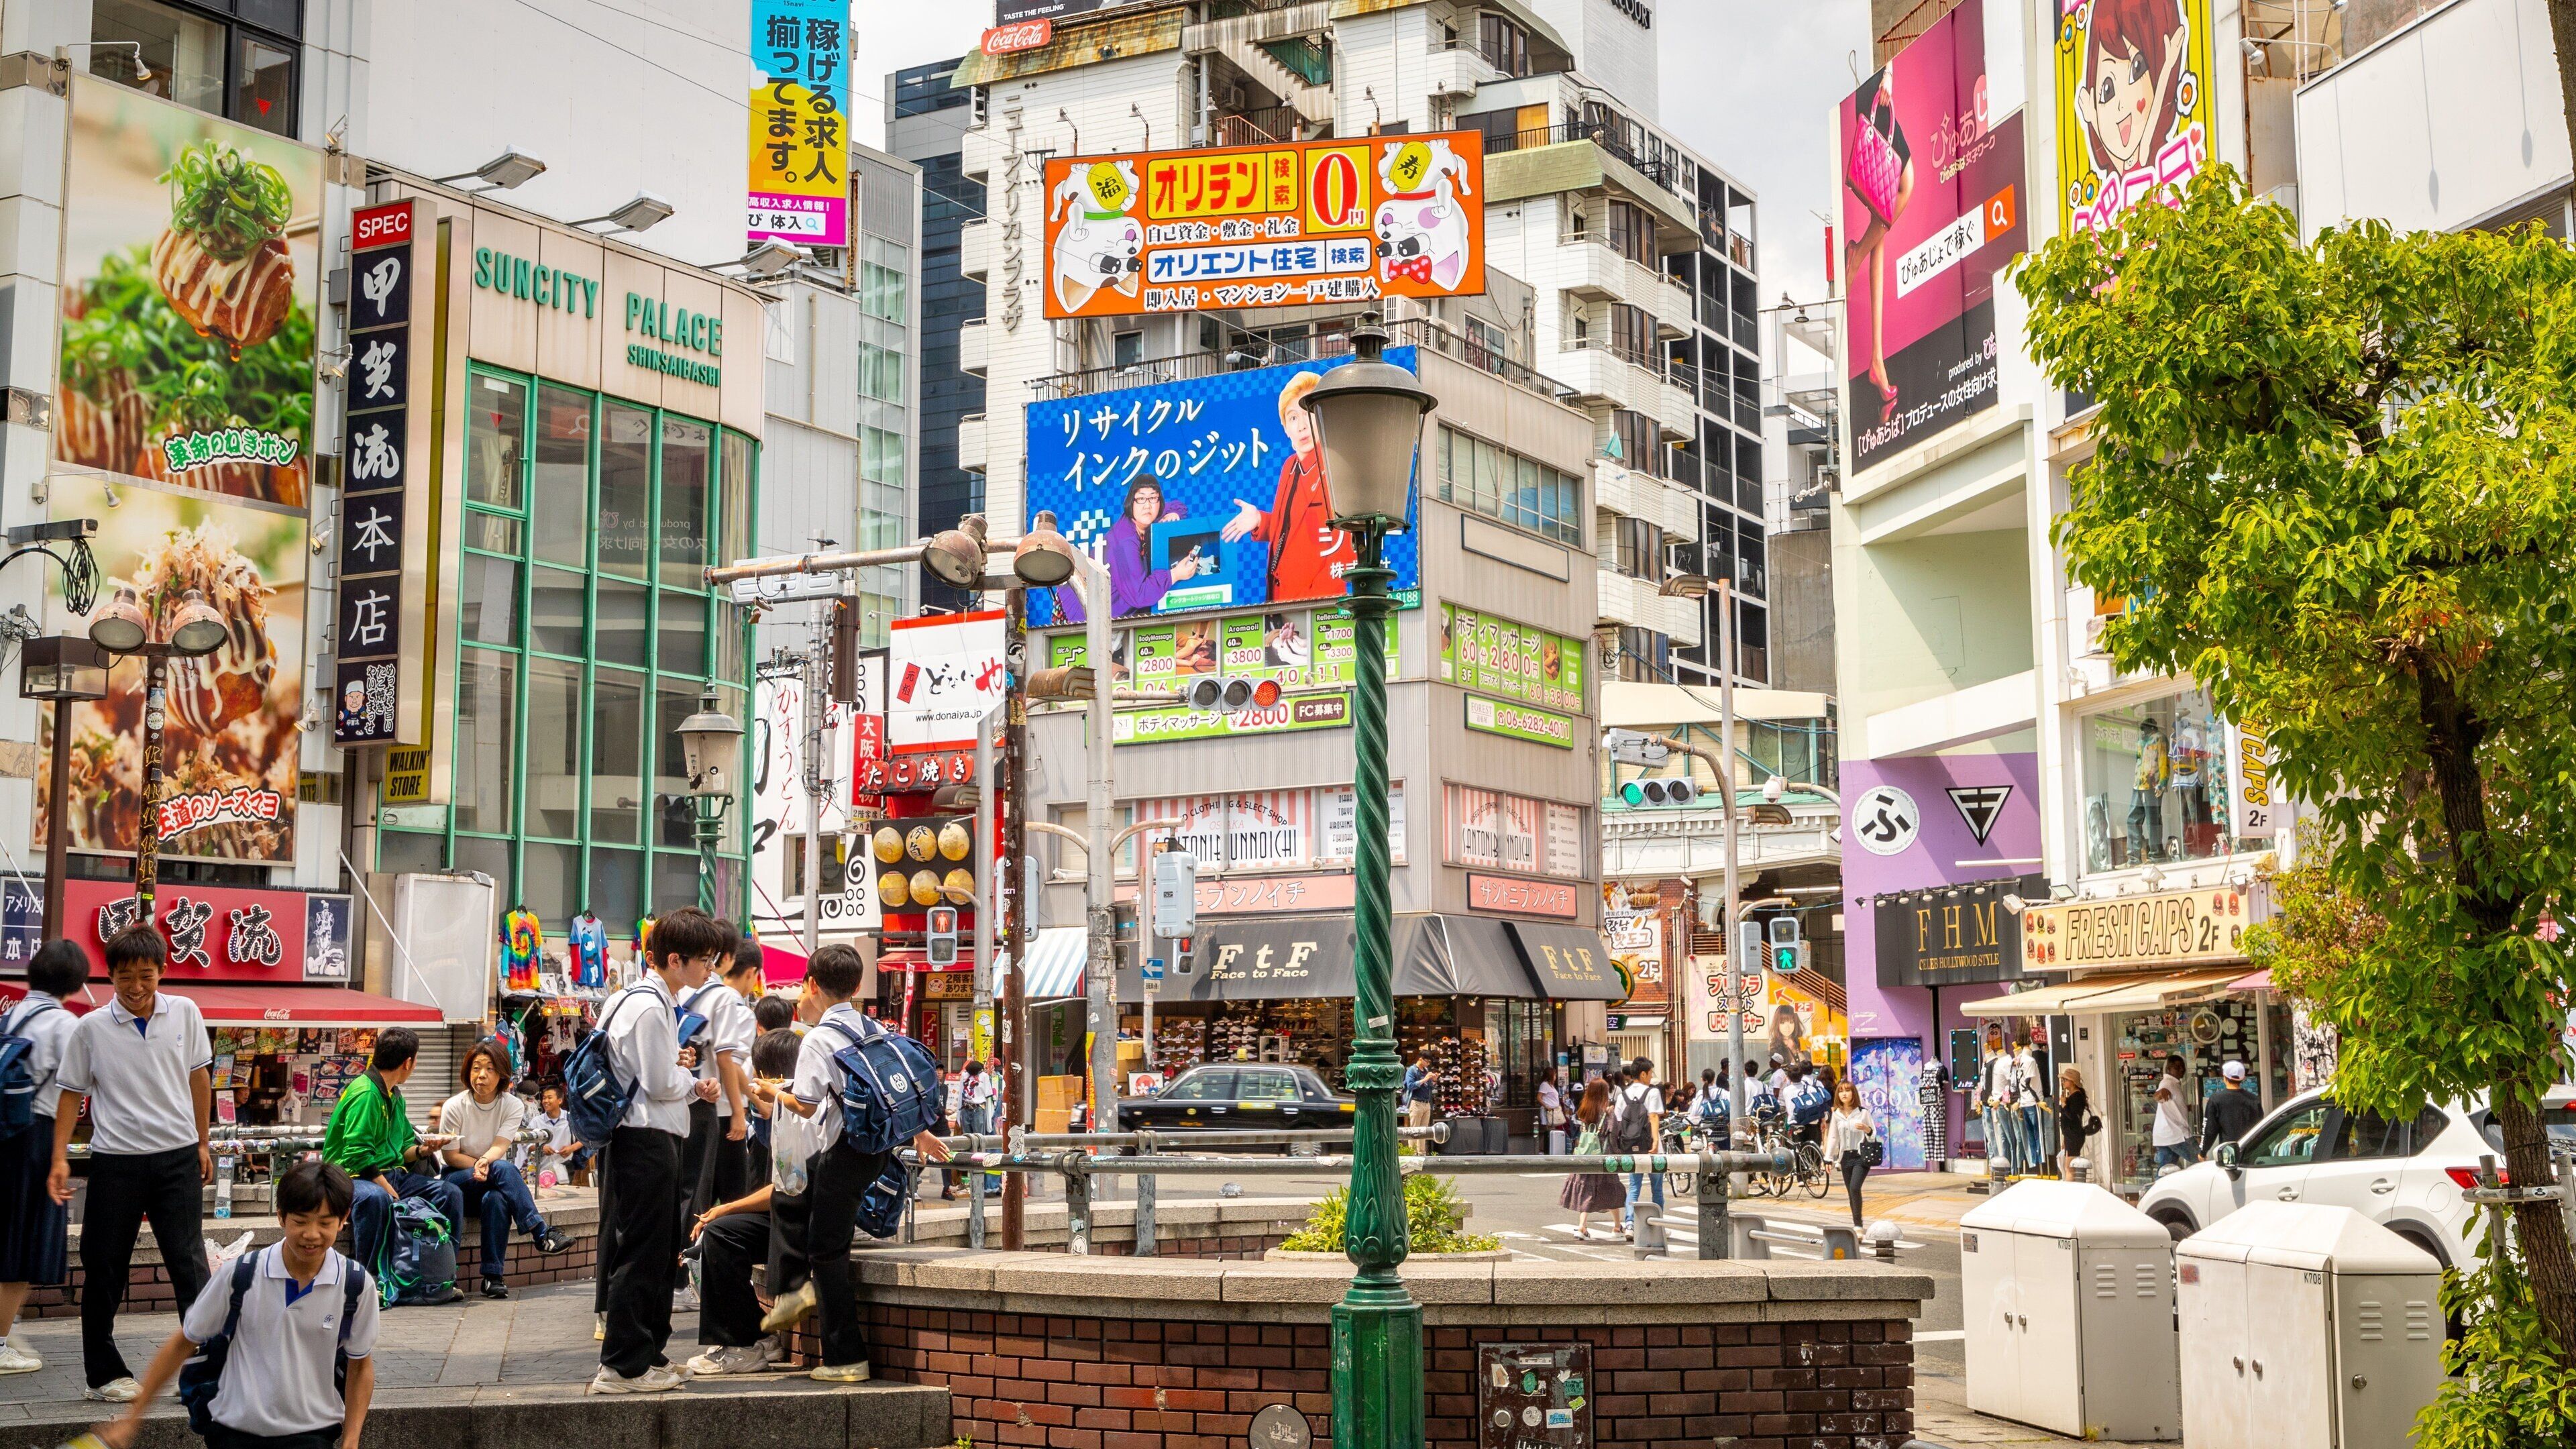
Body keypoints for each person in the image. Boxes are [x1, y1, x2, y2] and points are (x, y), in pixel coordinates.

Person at [756, 944, 949, 1383]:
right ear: (858, 985)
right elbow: (887, 1088)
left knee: (826, 1252)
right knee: (814, 1229)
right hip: (875, 1150)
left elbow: (804, 1106)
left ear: (811, 985)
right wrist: (919, 1132)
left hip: (843, 1153)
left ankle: (845, 1359)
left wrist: (771, 1093)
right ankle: (794, 1296)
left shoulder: (819, 1039)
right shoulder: (872, 1027)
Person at [90, 1161, 378, 1449]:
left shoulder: (355, 1286)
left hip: (312, 1435)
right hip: (234, 1433)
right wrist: (133, 1419)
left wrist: (351, 1442)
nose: (312, 1234)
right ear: (281, 1217)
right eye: (300, 1221)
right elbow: (182, 1343)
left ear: (344, 1219)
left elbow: (360, 1367)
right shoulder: (242, 1275)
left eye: (325, 1223)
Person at [50, 926, 219, 1400]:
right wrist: (59, 1156)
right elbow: (70, 1095)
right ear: (110, 976)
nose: (137, 987)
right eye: (126, 978)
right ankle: (104, 1375)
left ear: (162, 972)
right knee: (104, 1267)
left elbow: (199, 1078)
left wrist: (204, 1142)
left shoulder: (185, 1012)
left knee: (189, 1264)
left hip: (178, 1159)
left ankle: (211, 1364)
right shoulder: (91, 1028)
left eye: (147, 976)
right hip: (116, 1163)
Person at [591, 908, 725, 1395]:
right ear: (675, 959)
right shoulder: (649, 1007)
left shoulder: (637, 999)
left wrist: (680, 1072)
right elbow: (659, 1080)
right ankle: (622, 1365)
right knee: (644, 1252)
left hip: (646, 1137)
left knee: (657, 1249)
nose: (709, 969)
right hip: (645, 1139)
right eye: (705, 961)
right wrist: (695, 1083)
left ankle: (648, 1354)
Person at [684, 1030, 808, 1377]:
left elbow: (787, 1188)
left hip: (801, 1222)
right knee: (717, 1235)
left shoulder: (798, 1108)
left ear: (772, 1077)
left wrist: (723, 1208)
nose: (755, 1081)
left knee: (721, 1233)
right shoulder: (792, 1102)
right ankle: (758, 1336)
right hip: (796, 1216)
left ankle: (742, 1347)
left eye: (759, 1075)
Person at [320, 1028, 462, 1304]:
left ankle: (441, 1275)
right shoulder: (366, 1094)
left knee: (450, 1194)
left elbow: (403, 1150)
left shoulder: (395, 1096)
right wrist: (387, 1188)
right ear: (408, 1062)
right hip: (350, 1176)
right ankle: (371, 1280)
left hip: (391, 1175)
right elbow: (358, 1154)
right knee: (377, 1198)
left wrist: (424, 1149)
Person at [0, 941, 87, 1375]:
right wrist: (60, 1156)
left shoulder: (11, 1014)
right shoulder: (64, 1024)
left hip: (5, 1131)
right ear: (76, 981)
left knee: (7, 1231)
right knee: (23, 1238)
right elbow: (79, 1086)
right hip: (35, 1135)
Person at [437, 1041, 569, 1299]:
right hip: (458, 1180)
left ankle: (492, 1278)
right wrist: (482, 1164)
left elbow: (501, 1144)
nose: (481, 1075)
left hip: (490, 1175)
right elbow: (450, 1155)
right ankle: (541, 1233)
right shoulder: (454, 1106)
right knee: (504, 1169)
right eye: (476, 1068)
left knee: (497, 1199)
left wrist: (487, 1163)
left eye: (489, 1069)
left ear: (502, 1075)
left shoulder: (512, 1105)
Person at [1219, 370, 1354, 604]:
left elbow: (1345, 544)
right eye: (1293, 418)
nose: (1302, 426)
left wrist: (1314, 607)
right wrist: (1261, 521)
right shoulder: (1290, 466)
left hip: (1315, 606)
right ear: (1285, 427)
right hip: (1278, 599)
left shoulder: (1337, 465)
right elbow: (1292, 529)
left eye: (1309, 414)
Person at [1842, 60, 1917, 423]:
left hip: (1876, 81)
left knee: (1881, 219)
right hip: (1876, 82)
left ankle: (1877, 358)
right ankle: (1855, 257)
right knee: (1905, 182)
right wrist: (1887, 74)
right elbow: (1884, 49)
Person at [1555, 1079, 1625, 1241]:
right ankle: (1616, 1227)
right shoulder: (1607, 1113)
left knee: (1587, 1190)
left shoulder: (1585, 1110)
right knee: (1611, 1189)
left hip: (1587, 1155)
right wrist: (1618, 1153)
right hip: (1603, 1156)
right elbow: (1614, 1135)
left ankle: (1583, 1226)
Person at [1609, 1059, 1663, 1237]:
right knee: (1657, 1188)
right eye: (1650, 1073)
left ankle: (1630, 1225)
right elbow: (1654, 1117)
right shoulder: (1652, 1092)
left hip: (1631, 1146)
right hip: (1651, 1147)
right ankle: (1658, 1225)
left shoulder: (1622, 1095)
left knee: (1634, 1187)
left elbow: (1618, 1121)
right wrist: (1655, 1142)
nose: (1651, 1077)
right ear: (1643, 1074)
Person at [1823, 1079, 1877, 1228]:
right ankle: (1857, 1224)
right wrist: (1828, 1159)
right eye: (1841, 1091)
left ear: (1854, 1093)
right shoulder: (1837, 1114)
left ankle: (1858, 1225)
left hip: (1861, 1157)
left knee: (1854, 1187)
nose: (1844, 1094)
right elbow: (1833, 1137)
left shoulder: (1863, 1112)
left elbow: (1873, 1136)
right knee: (1851, 1193)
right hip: (1845, 1158)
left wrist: (1867, 1129)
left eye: (1847, 1090)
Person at [948, 1059, 998, 1197]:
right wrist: (959, 1113)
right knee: (967, 1144)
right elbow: (960, 1096)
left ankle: (978, 1180)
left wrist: (990, 1118)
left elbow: (988, 1098)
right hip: (966, 1108)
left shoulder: (984, 1077)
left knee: (979, 1143)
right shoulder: (964, 1076)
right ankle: (968, 1180)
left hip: (978, 1109)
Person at [2200, 1061, 2264, 1158]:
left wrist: (2203, 1152)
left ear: (2224, 1078)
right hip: (2251, 1151)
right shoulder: (2254, 1099)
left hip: (2229, 1152)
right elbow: (2260, 1127)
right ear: (2243, 1078)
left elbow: (2209, 1130)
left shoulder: (2216, 1099)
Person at [531, 1082, 590, 1187]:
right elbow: (527, 1144)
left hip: (566, 1167)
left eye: (549, 1098)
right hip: (542, 1169)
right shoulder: (536, 1121)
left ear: (560, 1101)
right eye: (544, 1098)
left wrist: (571, 1148)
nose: (545, 1101)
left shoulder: (571, 1119)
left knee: (564, 1196)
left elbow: (585, 1137)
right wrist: (541, 1147)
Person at [1980, 1027, 2022, 1174]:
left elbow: (2011, 1083)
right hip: (1992, 1103)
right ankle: (2002, 1166)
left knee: (2010, 1137)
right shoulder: (1992, 1062)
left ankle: (2012, 1168)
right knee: (1999, 1137)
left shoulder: (2005, 1062)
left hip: (2004, 1104)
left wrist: (2002, 1099)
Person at [2151, 1054, 2197, 1175]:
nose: (2182, 1069)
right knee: (2200, 1161)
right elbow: (2157, 1096)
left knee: (2166, 1172)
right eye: (2177, 1067)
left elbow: (2173, 1106)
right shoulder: (2167, 1083)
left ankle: (2155, 1191)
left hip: (2167, 1136)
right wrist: (2160, 1092)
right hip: (2176, 1134)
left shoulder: (2175, 1084)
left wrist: (2189, 1108)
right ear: (2169, 1070)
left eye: (2182, 1067)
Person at [2012, 1034, 2051, 1174]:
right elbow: (2028, 1083)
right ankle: (2040, 1163)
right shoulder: (2030, 1061)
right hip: (2032, 1102)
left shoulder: (2020, 1060)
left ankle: (2034, 1162)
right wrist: (2038, 1100)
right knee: (2037, 1133)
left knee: (2030, 1135)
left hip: (2024, 1101)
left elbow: (2020, 1083)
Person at [2056, 1065, 2098, 1180]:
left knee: (2070, 1168)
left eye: (2066, 1080)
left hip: (2074, 1134)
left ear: (2073, 1082)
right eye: (2063, 1080)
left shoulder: (2077, 1097)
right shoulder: (2071, 1096)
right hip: (2070, 1135)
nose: (2063, 1082)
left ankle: (2072, 1193)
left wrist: (2064, 1104)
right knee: (2068, 1166)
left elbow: (2072, 1116)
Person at [1401, 1053, 1437, 1132]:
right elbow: (1410, 1086)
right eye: (1427, 1061)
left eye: (1429, 1062)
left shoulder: (1426, 1071)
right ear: (1421, 1059)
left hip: (1427, 1104)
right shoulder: (1411, 1070)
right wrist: (1425, 1079)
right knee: (1414, 1131)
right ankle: (1413, 1145)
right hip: (1416, 1103)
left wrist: (1434, 1081)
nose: (1428, 1064)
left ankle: (1421, 1145)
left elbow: (1430, 1088)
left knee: (1424, 1132)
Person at [1536, 1068, 1567, 1155]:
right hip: (1549, 1111)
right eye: (1555, 1075)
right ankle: (1543, 1149)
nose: (1556, 1076)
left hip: (1555, 1110)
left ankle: (1550, 1147)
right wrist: (1546, 1106)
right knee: (1549, 1128)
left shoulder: (1551, 1086)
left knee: (1553, 1128)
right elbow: (1539, 1097)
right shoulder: (1545, 1085)